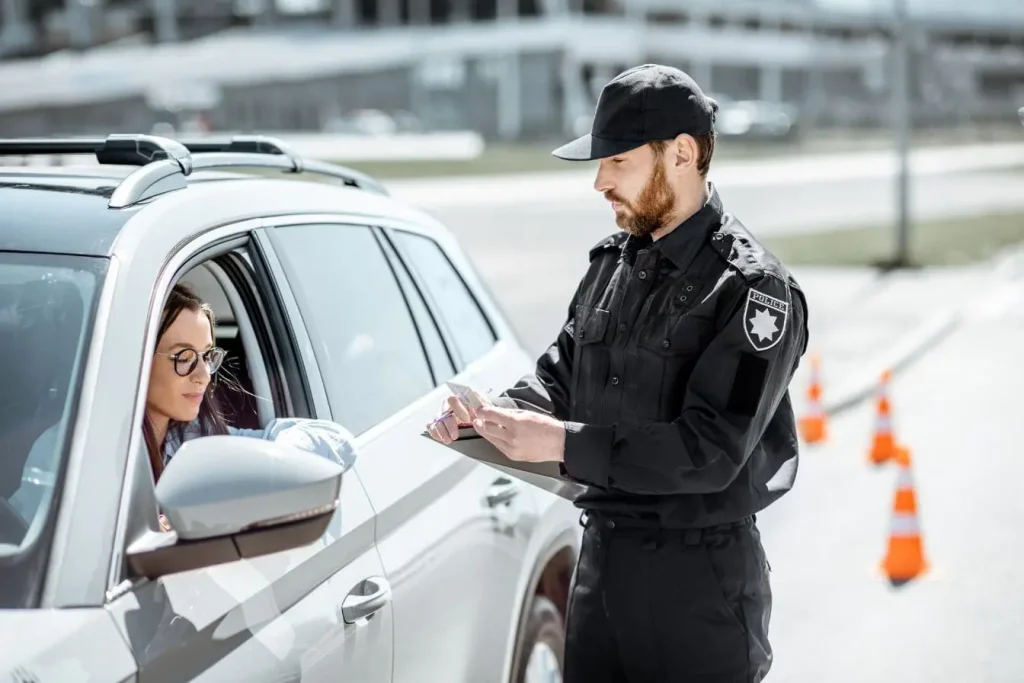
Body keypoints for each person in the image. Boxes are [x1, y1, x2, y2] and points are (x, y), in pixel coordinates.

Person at [426, 64, 809, 682]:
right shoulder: (613, 263)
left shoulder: (752, 290)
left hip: (698, 589)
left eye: (618, 162)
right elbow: (561, 373)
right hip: (602, 564)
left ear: (682, 153)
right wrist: (496, 415)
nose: (599, 182)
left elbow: (710, 450)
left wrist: (559, 442)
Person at [13, 282, 356, 530]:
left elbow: (332, 437)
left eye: (207, 356)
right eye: (183, 358)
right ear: (136, 359)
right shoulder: (71, 451)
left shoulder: (197, 437)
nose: (204, 375)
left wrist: (278, 468)